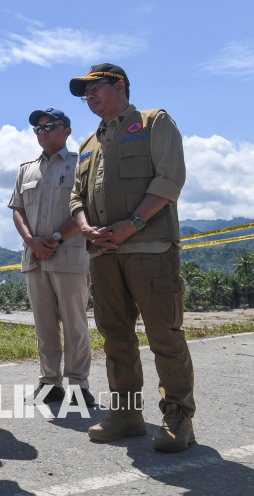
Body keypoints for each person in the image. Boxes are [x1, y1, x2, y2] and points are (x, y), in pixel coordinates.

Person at [68, 63, 195, 452]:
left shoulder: (153, 122)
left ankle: (178, 416)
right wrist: (86, 227)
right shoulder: (88, 144)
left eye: (95, 88)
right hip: (103, 254)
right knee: (115, 337)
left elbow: (170, 179)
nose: (89, 96)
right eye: (84, 92)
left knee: (163, 334)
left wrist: (133, 223)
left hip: (149, 248)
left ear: (119, 85)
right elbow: (76, 197)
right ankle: (127, 414)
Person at [8, 108, 95, 407]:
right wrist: (31, 241)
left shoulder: (81, 164)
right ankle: (49, 382)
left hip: (70, 255)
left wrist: (56, 238)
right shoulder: (26, 169)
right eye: (38, 128)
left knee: (75, 325)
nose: (43, 131)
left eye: (50, 126)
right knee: (44, 326)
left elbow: (88, 206)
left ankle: (78, 385)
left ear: (67, 131)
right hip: (35, 259)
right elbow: (17, 209)